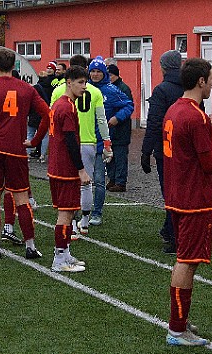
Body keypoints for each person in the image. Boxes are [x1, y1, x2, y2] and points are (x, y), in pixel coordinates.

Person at [163, 58, 212, 347]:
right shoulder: (195, 116)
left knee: (186, 258)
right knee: (187, 261)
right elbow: (210, 162)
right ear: (201, 81)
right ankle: (177, 329)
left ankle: (180, 322)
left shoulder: (175, 109)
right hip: (194, 199)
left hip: (178, 194)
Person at [0, 47, 49, 260]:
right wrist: (35, 141)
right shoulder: (27, 89)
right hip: (16, 148)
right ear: (14, 66)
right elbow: (47, 115)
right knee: (21, 197)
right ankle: (30, 246)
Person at [50, 55, 112, 237]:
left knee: (74, 191)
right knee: (84, 186)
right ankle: (83, 223)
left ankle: (75, 226)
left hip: (65, 146)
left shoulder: (57, 93)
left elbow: (50, 120)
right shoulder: (94, 93)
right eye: (81, 81)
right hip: (83, 143)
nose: (84, 85)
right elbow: (101, 120)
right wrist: (107, 143)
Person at [48, 65, 92, 272]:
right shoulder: (66, 107)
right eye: (80, 82)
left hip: (57, 165)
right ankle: (59, 259)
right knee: (65, 214)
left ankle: (65, 253)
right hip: (64, 168)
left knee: (68, 212)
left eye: (86, 82)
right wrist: (81, 169)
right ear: (69, 83)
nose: (84, 86)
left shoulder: (61, 104)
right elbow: (71, 141)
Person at [141, 50, 184, 255]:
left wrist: (145, 151)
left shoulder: (162, 90)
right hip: (185, 150)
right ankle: (169, 230)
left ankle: (175, 235)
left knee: (170, 193)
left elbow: (155, 122)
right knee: (180, 192)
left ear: (163, 67)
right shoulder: (188, 87)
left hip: (166, 150)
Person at [87, 56, 133, 225]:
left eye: (99, 71)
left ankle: (97, 212)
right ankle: (80, 211)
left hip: (100, 143)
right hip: (83, 141)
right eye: (93, 71)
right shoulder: (83, 88)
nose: (96, 74)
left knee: (99, 180)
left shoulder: (111, 90)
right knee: (81, 180)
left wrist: (116, 118)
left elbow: (129, 105)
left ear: (104, 73)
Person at [105, 63, 133, 192]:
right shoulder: (107, 88)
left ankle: (120, 181)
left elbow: (128, 108)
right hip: (110, 130)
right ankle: (112, 179)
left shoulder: (123, 89)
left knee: (120, 156)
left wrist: (117, 118)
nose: (108, 77)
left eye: (110, 75)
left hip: (121, 130)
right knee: (110, 156)